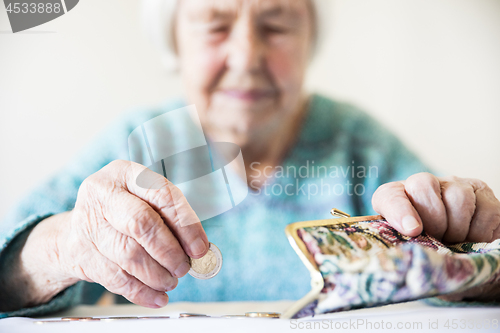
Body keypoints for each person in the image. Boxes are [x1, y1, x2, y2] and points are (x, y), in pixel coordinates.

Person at [1, 0, 499, 318]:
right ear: (176, 43)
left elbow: (466, 262)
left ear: (309, 42)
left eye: (277, 25)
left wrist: (472, 253)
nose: (246, 56)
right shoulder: (136, 143)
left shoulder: (357, 144)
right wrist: (61, 247)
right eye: (215, 25)